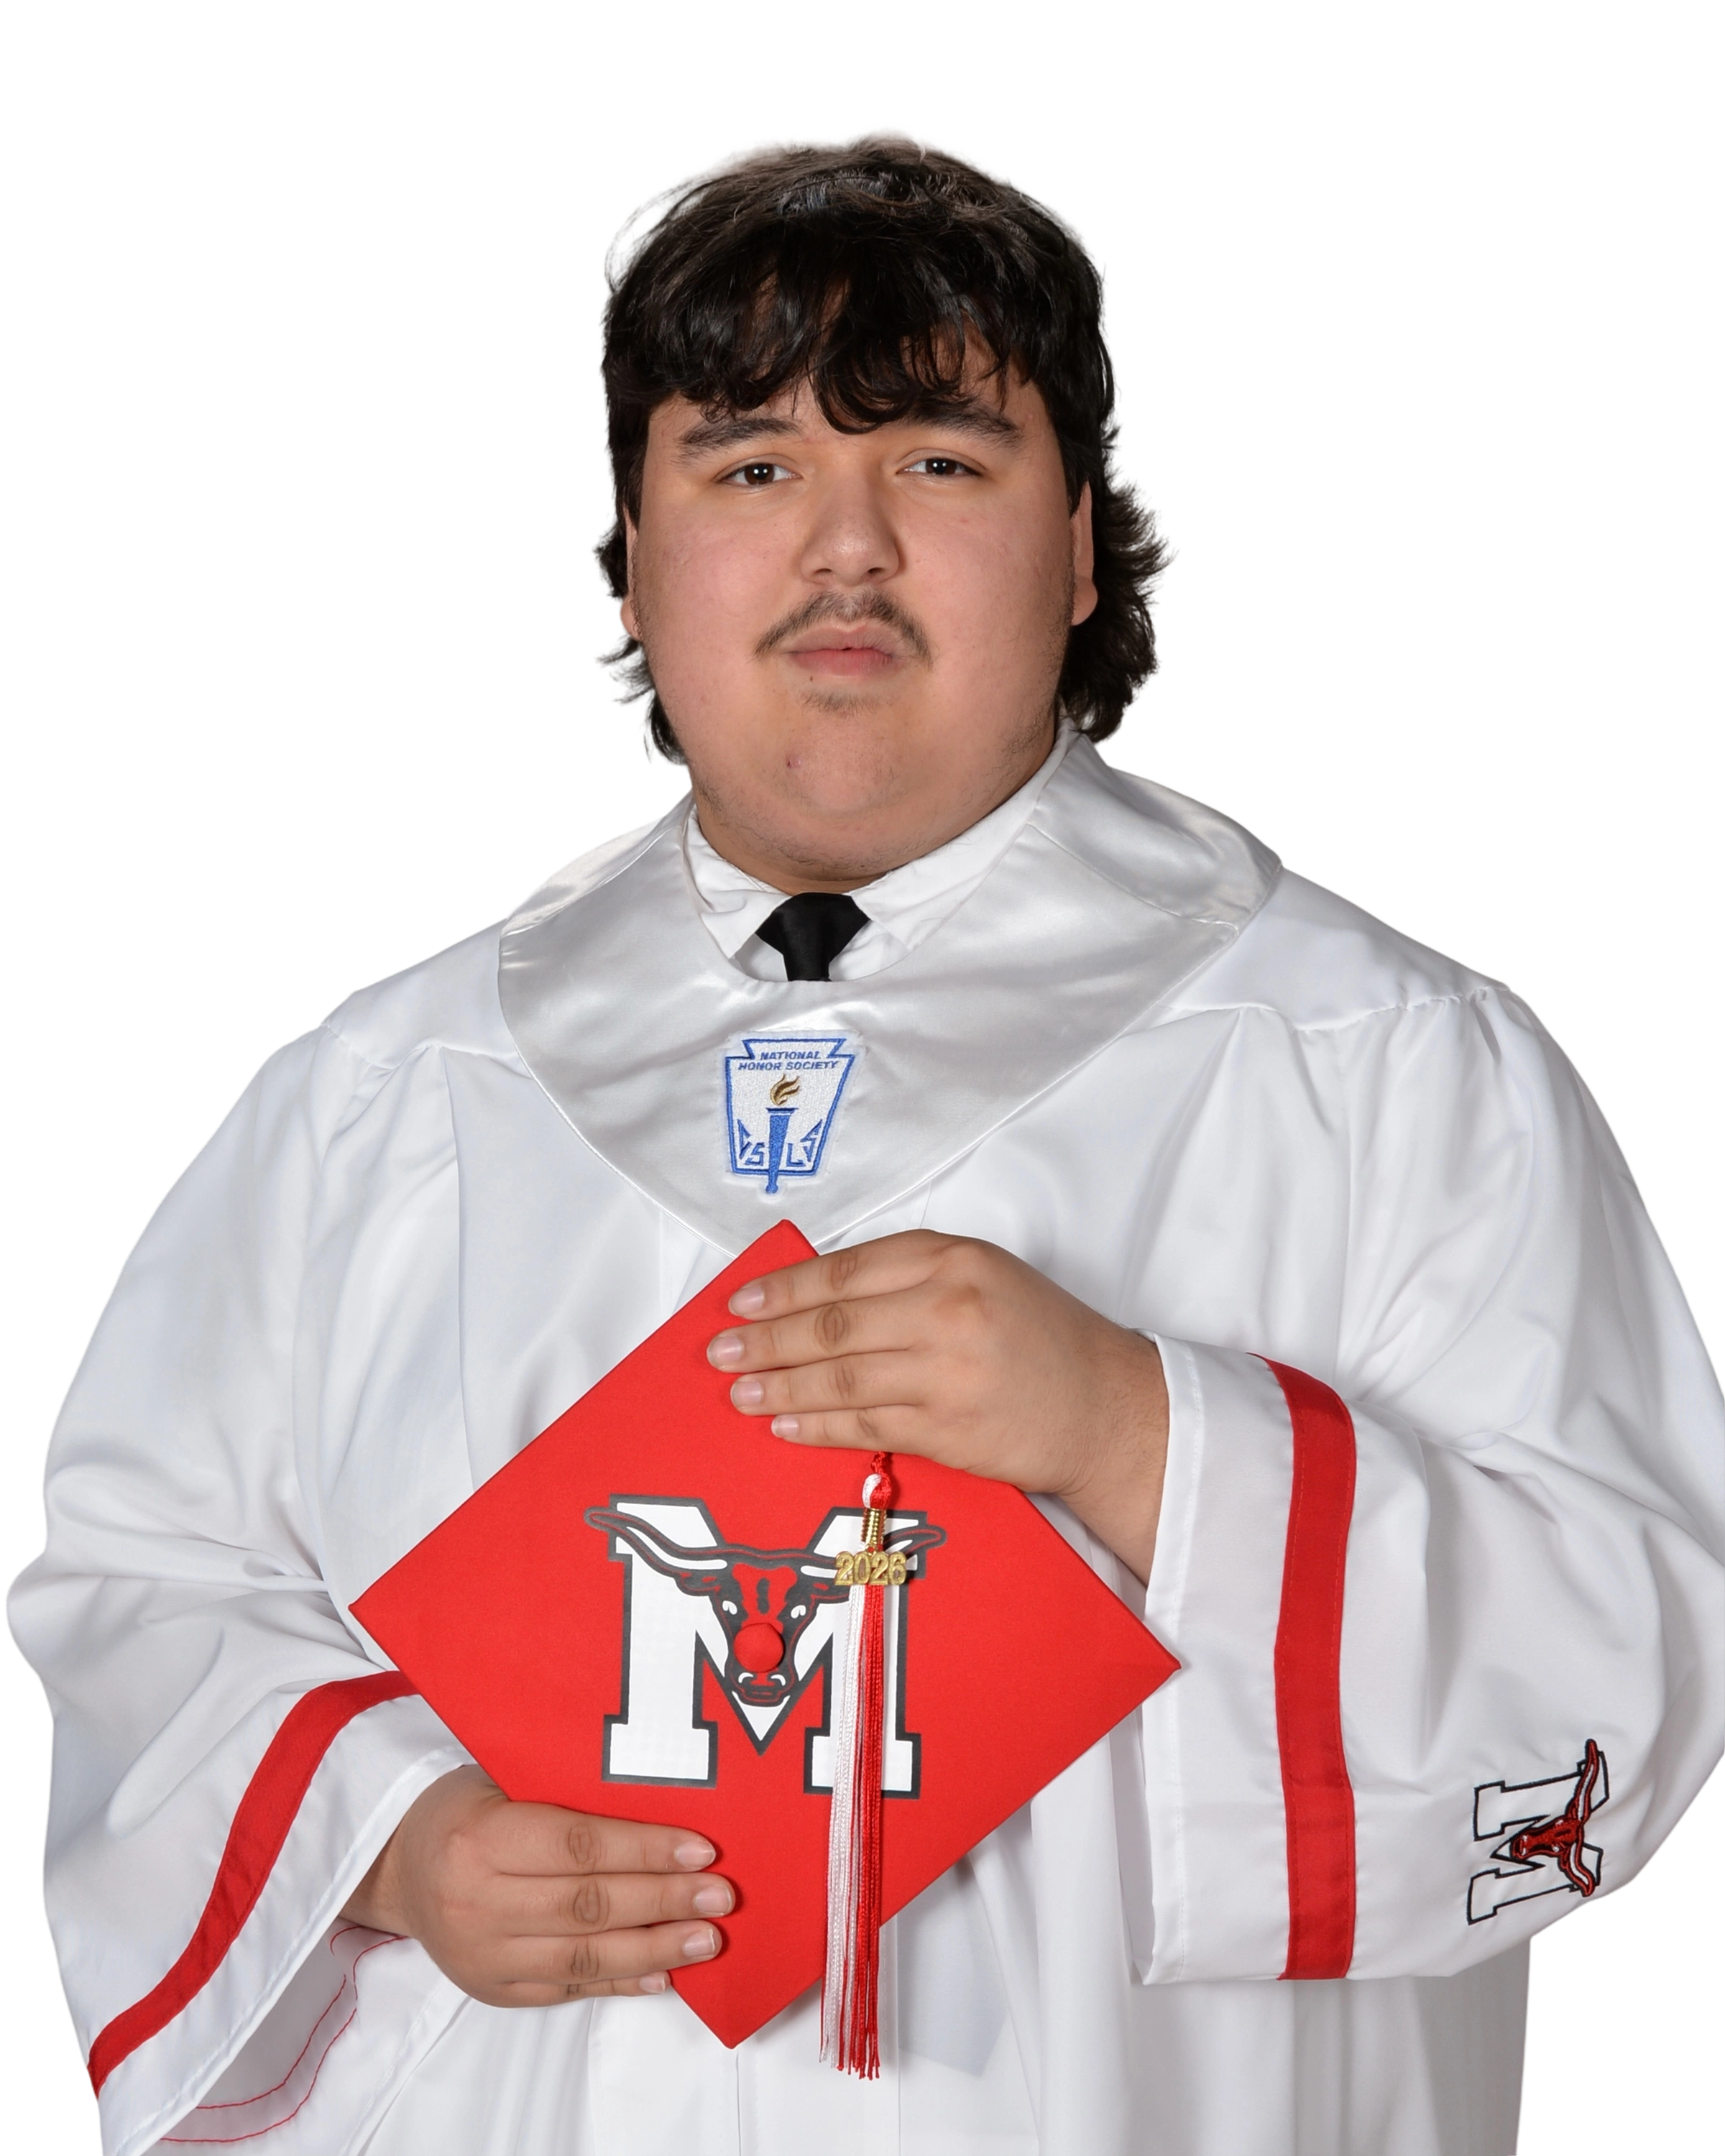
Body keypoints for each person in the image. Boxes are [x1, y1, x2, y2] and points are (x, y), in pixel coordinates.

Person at [11, 126, 1722, 2156]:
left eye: (937, 460)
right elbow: (144, 1594)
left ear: (1078, 548)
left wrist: (1134, 1428)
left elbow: (1619, 1683)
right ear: (634, 560)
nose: (845, 549)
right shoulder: (385, 1099)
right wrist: (391, 1840)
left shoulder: (1387, 1067)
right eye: (748, 466)